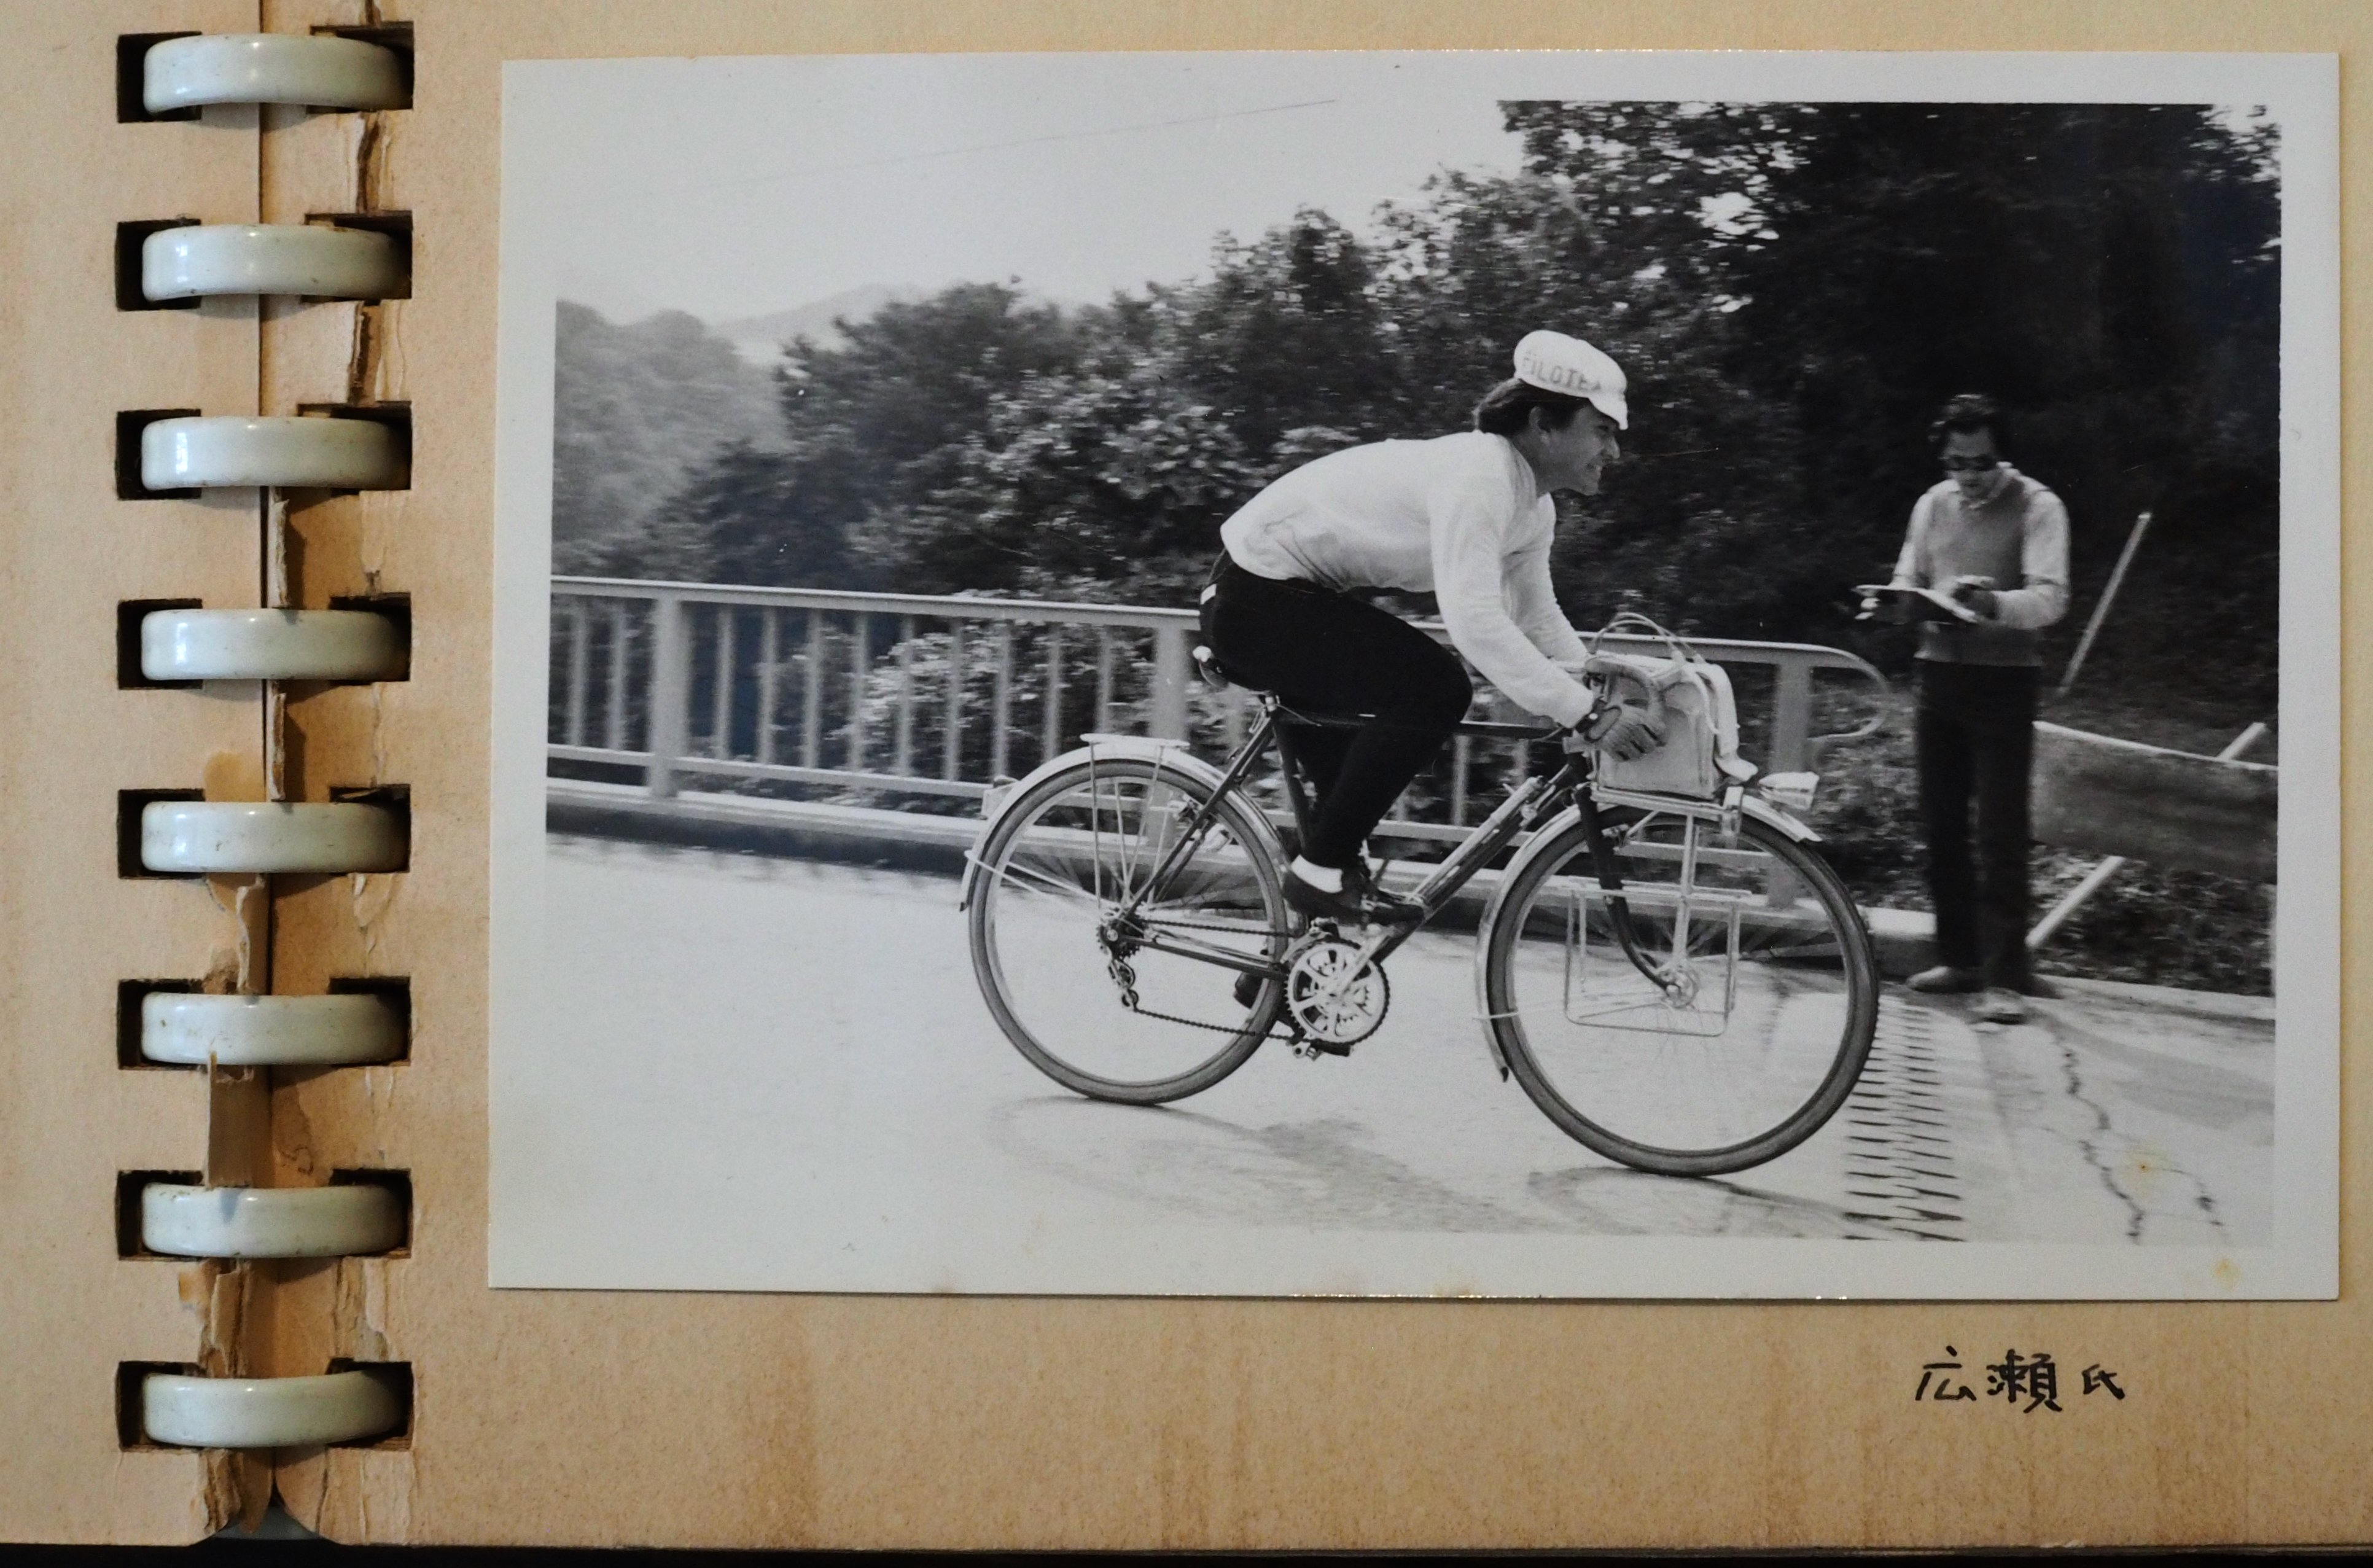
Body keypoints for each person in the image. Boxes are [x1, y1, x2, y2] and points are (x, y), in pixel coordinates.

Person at [1199, 330, 1666, 926]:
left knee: (1345, 826)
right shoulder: (1483, 477)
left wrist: (1591, 689)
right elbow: (1474, 622)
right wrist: (1588, 715)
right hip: (1257, 597)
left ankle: (1296, 962)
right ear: (1545, 424)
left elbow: (1535, 615)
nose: (1615, 452)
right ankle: (1318, 877)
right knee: (1434, 688)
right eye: (1603, 431)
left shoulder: (1532, 504)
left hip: (1284, 598)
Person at [1883, 393, 2070, 1024]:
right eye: (1957, 462)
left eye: (1982, 462)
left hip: (2005, 680)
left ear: (2003, 454)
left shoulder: (2040, 506)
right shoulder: (1930, 505)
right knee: (1940, 824)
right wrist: (1900, 603)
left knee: (2000, 830)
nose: (1969, 476)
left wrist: (1994, 605)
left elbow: (2050, 599)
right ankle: (1960, 958)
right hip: (1937, 676)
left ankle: (2006, 977)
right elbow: (1911, 575)